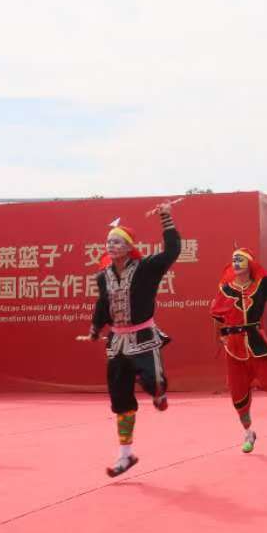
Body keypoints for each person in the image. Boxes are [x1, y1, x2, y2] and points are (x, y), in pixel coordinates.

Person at [84, 204, 180, 477]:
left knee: (154, 382)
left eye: (117, 241)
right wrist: (95, 328)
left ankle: (159, 393)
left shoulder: (146, 268)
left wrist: (165, 217)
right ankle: (125, 455)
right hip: (116, 342)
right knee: (120, 399)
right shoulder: (103, 276)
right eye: (109, 242)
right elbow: (103, 305)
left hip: (143, 336)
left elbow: (172, 251)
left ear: (129, 246)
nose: (111, 245)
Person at [209, 237, 267, 452]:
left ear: (249, 263)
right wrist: (221, 337)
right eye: (234, 260)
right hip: (234, 347)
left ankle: (252, 381)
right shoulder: (225, 290)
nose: (236, 263)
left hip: (256, 343)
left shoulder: (262, 285)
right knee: (237, 395)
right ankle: (248, 432)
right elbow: (217, 317)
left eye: (240, 259)